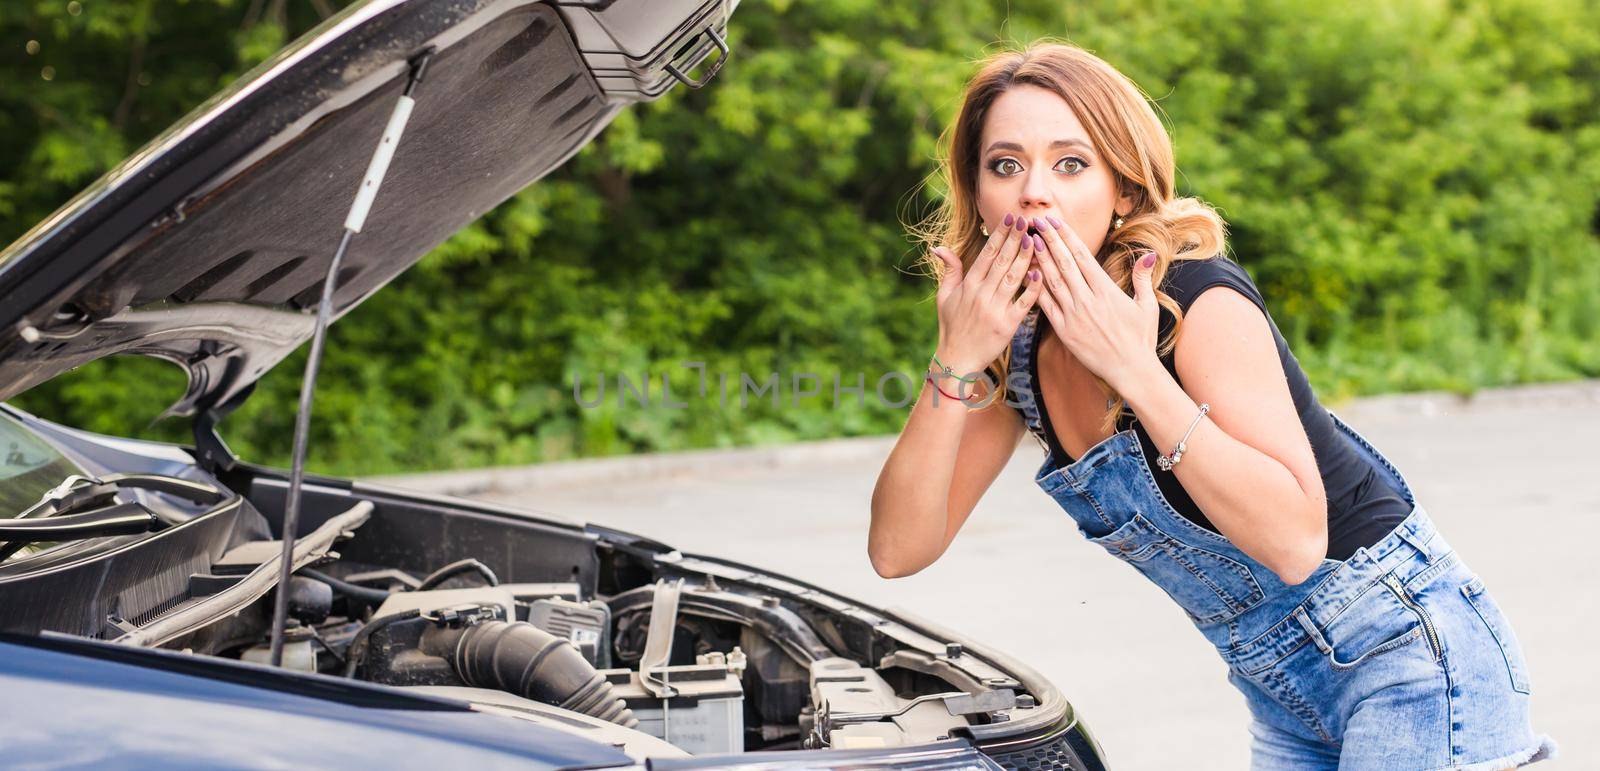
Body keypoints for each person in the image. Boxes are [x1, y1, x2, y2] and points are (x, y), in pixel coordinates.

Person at [867, 40, 1558, 770]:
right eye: (1005, 165)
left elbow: (1295, 543)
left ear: (1124, 191)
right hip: (1281, 692)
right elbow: (899, 549)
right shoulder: (1020, 353)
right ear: (979, 193)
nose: (1034, 191)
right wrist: (957, 360)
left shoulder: (1194, 298)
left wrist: (1138, 373)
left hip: (1408, 658)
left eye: (1071, 164)